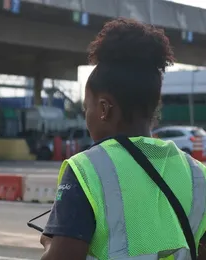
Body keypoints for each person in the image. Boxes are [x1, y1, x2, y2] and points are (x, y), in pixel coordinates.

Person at [39, 18, 206, 260]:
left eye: (87, 108)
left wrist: (47, 243)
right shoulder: (197, 175)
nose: (87, 117)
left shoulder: (87, 170)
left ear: (104, 109)